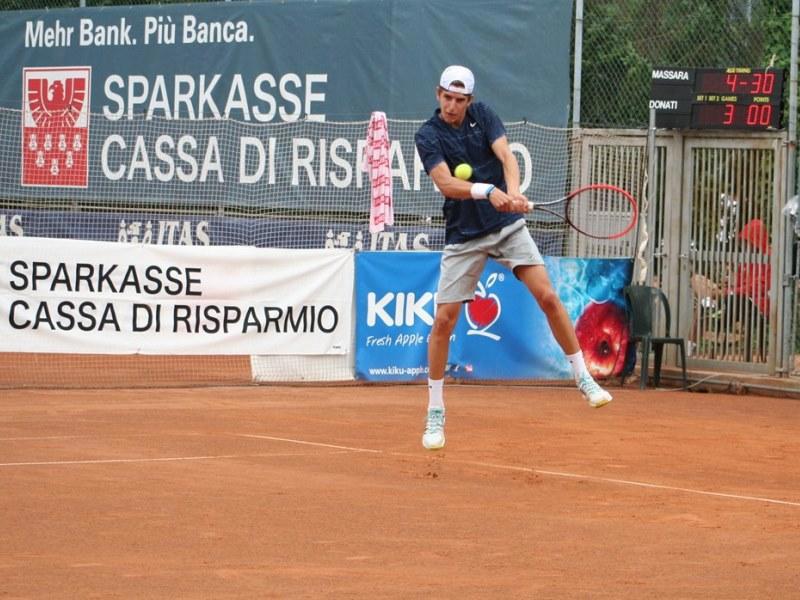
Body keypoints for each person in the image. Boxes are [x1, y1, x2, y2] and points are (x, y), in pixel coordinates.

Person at [414, 65, 612, 450]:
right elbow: (446, 183)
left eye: (459, 100)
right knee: (442, 322)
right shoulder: (428, 135)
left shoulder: (483, 116)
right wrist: (488, 192)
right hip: (464, 236)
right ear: (437, 94)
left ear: (469, 101)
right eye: (446, 97)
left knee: (550, 297)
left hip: (506, 229)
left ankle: (582, 376)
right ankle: (435, 411)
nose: (452, 106)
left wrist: (514, 193)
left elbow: (507, 158)